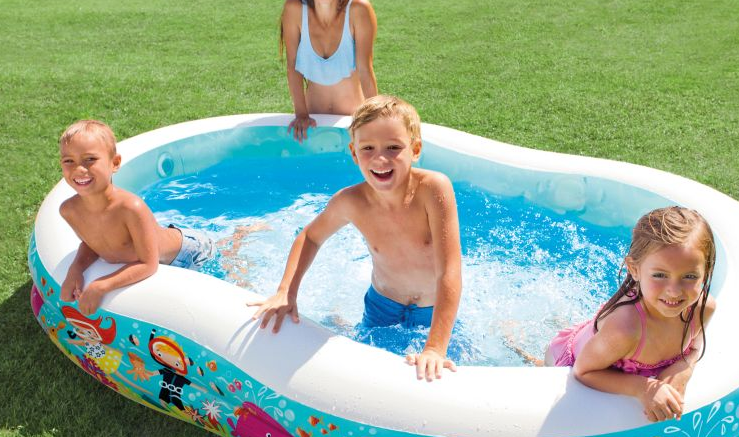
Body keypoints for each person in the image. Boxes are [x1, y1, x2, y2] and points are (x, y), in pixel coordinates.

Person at [250, 97, 462, 381]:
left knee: (447, 372)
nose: (380, 159)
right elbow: (311, 236)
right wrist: (286, 291)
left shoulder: (433, 189)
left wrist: (435, 347)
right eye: (368, 148)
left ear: (415, 149)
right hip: (381, 309)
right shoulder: (351, 202)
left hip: (432, 310)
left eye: (393, 148)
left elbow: (449, 271)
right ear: (353, 152)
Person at [540, 206, 717, 422]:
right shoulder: (625, 330)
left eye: (689, 276)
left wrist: (684, 369)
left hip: (605, 346)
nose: (674, 291)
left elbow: (695, 347)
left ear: (706, 271)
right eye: (660, 275)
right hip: (575, 359)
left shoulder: (702, 309)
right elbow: (582, 372)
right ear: (634, 269)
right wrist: (643, 388)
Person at [57, 120, 215, 314]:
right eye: (69, 161)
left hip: (189, 253)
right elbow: (91, 244)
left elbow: (149, 264)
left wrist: (101, 285)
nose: (79, 169)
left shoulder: (131, 208)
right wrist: (75, 270)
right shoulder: (69, 210)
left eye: (90, 159)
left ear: (115, 163)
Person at [280, 0, 378, 142]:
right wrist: (301, 114)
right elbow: (292, 65)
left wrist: (373, 119)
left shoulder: (358, 9)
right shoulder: (294, 9)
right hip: (311, 119)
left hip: (353, 118)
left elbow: (365, 69)